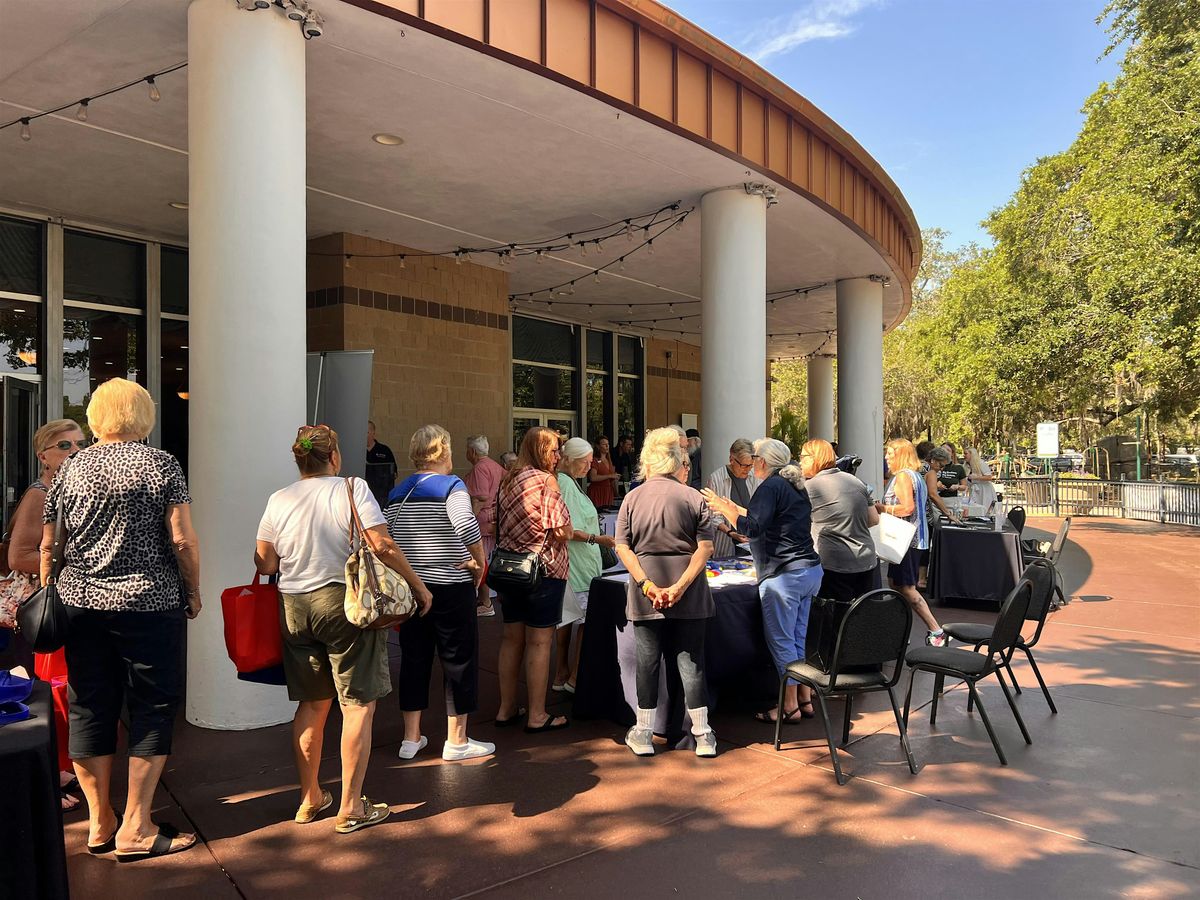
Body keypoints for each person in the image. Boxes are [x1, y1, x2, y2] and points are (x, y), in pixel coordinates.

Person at [45, 379, 200, 859]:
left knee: (90, 706)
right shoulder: (161, 464)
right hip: (150, 603)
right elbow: (182, 539)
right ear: (143, 415)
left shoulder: (70, 467)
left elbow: (49, 544)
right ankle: (136, 825)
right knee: (152, 706)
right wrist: (193, 589)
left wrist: (51, 589)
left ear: (96, 417)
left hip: (82, 605)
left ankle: (99, 823)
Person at [256, 424, 432, 834]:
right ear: (333, 457)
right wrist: (418, 587)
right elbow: (382, 545)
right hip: (345, 603)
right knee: (357, 705)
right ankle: (351, 806)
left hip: (294, 607)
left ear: (299, 460)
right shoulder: (352, 488)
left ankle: (310, 797)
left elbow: (265, 562)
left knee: (312, 705)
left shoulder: (279, 499)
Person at [387, 425, 491, 762]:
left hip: (413, 590)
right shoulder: (451, 485)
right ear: (443, 450)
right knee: (458, 660)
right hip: (450, 586)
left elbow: (390, 540)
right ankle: (457, 740)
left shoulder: (398, 491)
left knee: (414, 660)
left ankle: (410, 738)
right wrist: (479, 561)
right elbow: (465, 524)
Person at [703, 439, 823, 725]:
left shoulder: (770, 486)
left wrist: (724, 508)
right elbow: (767, 518)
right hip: (809, 570)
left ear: (763, 462)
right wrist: (733, 507)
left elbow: (751, 529)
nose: (752, 462)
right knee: (798, 637)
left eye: (755, 458)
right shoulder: (793, 484)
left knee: (782, 641)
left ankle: (789, 706)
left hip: (784, 575)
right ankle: (804, 698)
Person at [616, 427, 717, 757]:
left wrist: (646, 584)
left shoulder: (632, 498)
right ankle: (703, 734)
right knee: (692, 663)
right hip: (690, 592)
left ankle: (644, 733)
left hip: (646, 592)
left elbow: (622, 547)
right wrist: (680, 586)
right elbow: (705, 548)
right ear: (677, 461)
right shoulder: (693, 497)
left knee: (647, 663)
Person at [4, 419, 88, 812]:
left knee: (62, 689)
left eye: (80, 443)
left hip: (59, 606)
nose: (75, 451)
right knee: (46, 693)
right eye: (64, 446)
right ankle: (50, 777)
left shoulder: (68, 490)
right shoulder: (39, 495)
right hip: (40, 610)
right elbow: (17, 555)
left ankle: (63, 769)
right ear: (44, 455)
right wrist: (67, 565)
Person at [494, 427, 572, 734]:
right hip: (543, 570)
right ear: (541, 451)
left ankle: (505, 708)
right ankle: (537, 715)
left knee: (511, 639)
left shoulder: (508, 479)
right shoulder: (546, 481)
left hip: (508, 569)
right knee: (540, 642)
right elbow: (562, 531)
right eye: (554, 450)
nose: (558, 456)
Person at [554, 437, 615, 693]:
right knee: (585, 621)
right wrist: (599, 539)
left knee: (569, 619)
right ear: (570, 459)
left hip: (577, 562)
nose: (588, 467)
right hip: (579, 563)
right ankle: (575, 677)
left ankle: (563, 674)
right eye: (585, 462)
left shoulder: (566, 482)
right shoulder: (566, 484)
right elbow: (571, 530)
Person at [877, 439, 946, 646]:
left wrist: (882, 508)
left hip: (905, 541)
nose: (887, 457)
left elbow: (906, 508)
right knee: (895, 584)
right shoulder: (915, 475)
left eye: (890, 453)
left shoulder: (903, 476)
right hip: (913, 539)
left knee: (907, 588)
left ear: (900, 455)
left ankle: (936, 630)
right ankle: (899, 630)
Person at [800, 439, 880, 603]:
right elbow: (873, 519)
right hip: (866, 559)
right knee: (861, 611)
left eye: (803, 457)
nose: (800, 462)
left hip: (835, 563)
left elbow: (797, 523)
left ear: (815, 458)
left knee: (833, 614)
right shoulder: (856, 481)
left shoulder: (810, 487)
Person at [464, 434, 505, 617]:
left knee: (478, 561)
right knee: (484, 559)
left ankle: (485, 602)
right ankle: (484, 601)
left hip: (481, 520)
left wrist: (468, 520)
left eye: (467, 449)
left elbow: (480, 497)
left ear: (473, 451)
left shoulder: (480, 468)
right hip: (493, 518)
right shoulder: (495, 466)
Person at [705, 438, 759, 559]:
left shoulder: (754, 477)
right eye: (744, 465)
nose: (748, 469)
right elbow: (713, 516)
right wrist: (731, 533)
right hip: (726, 543)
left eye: (751, 465)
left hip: (751, 544)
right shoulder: (717, 478)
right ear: (731, 459)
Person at [365, 420, 398, 507]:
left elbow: (394, 473)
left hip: (381, 497)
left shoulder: (384, 450)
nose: (364, 435)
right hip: (363, 495)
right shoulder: (356, 450)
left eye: (367, 432)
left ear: (373, 433)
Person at [585, 435, 620, 509]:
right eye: (604, 444)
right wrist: (609, 476)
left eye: (608, 444)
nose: (607, 446)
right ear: (598, 446)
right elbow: (592, 477)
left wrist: (616, 493)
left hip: (608, 491)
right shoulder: (595, 460)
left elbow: (612, 480)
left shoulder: (609, 460)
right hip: (597, 491)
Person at [965, 446, 999, 513]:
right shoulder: (967, 466)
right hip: (975, 492)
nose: (964, 456)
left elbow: (989, 477)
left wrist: (976, 477)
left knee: (985, 509)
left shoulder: (981, 463)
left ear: (972, 454)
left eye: (966, 454)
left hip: (984, 491)